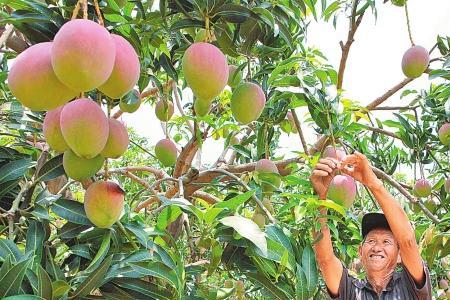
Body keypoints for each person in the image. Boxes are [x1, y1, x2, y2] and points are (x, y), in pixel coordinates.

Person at [310, 151, 432, 299]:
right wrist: (320, 199)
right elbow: (325, 260)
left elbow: (407, 241)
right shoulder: (350, 291)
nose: (377, 247)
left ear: (400, 255)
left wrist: (373, 183)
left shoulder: (411, 287)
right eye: (371, 241)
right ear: (360, 251)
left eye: (386, 241)